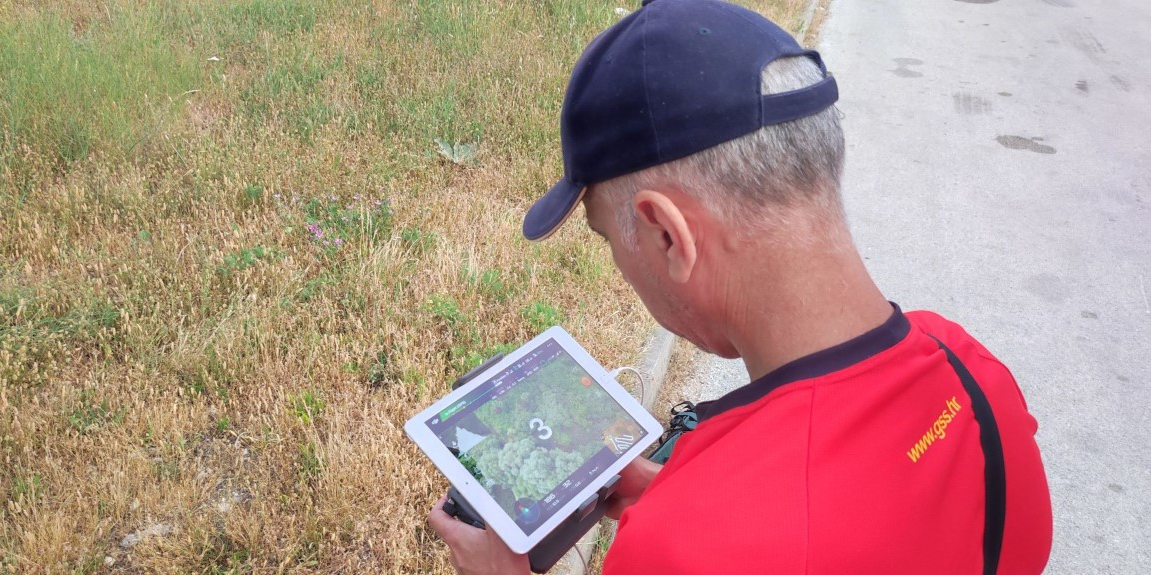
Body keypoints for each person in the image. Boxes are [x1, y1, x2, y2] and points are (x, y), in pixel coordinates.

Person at [427, 0, 1053, 573]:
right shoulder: (974, 373)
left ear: (667, 235)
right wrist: (689, 487)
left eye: (605, 236)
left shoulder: (681, 550)